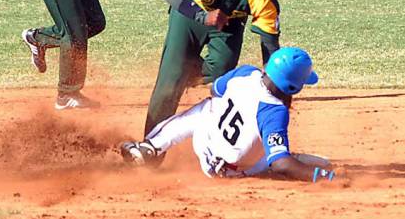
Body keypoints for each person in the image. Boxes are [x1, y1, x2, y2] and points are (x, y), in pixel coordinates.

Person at [120, 47, 335, 183]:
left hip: (205, 144)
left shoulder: (246, 72)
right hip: (229, 172)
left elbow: (215, 90)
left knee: (209, 106)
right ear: (293, 87)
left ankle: (151, 147)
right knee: (281, 156)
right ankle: (293, 158)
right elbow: (281, 164)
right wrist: (321, 177)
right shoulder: (274, 112)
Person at [143, 0, 280, 138]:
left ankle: (183, 71)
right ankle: (150, 144)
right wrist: (202, 16)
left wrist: (275, 86)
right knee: (168, 84)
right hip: (190, 14)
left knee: (221, 71)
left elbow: (270, 47)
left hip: (229, 25)